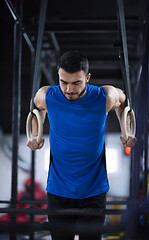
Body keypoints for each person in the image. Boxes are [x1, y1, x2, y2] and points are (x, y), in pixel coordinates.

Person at [27, 50, 137, 240]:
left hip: (94, 192)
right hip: (58, 191)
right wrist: (35, 134)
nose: (69, 89)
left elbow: (123, 102)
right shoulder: (47, 95)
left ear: (87, 78)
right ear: (58, 77)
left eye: (76, 83)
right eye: (64, 82)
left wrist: (127, 131)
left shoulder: (105, 96)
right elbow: (36, 107)